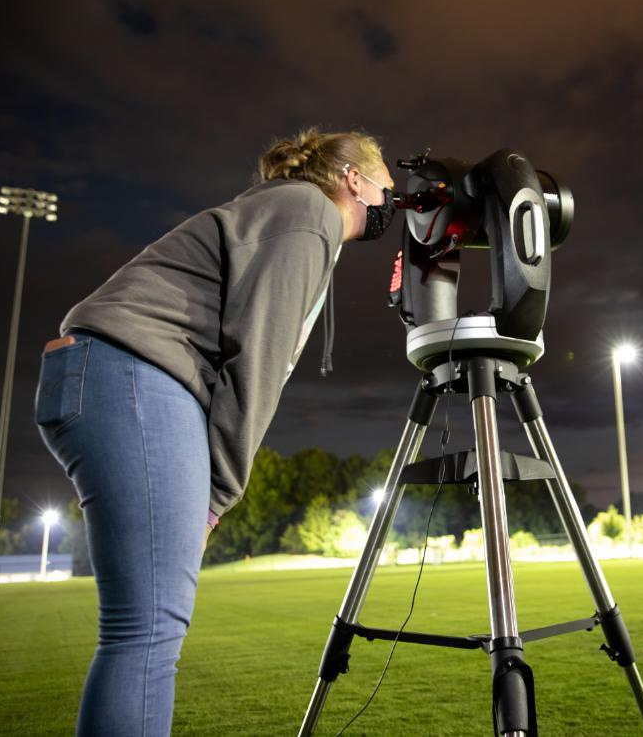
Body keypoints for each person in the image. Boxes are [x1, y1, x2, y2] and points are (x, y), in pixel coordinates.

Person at [34, 127, 396, 736]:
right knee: (145, 633)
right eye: (388, 182)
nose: (396, 197)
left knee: (141, 631)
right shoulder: (308, 211)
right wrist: (217, 499)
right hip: (131, 374)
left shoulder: (291, 214)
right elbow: (256, 361)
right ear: (353, 181)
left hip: (111, 375)